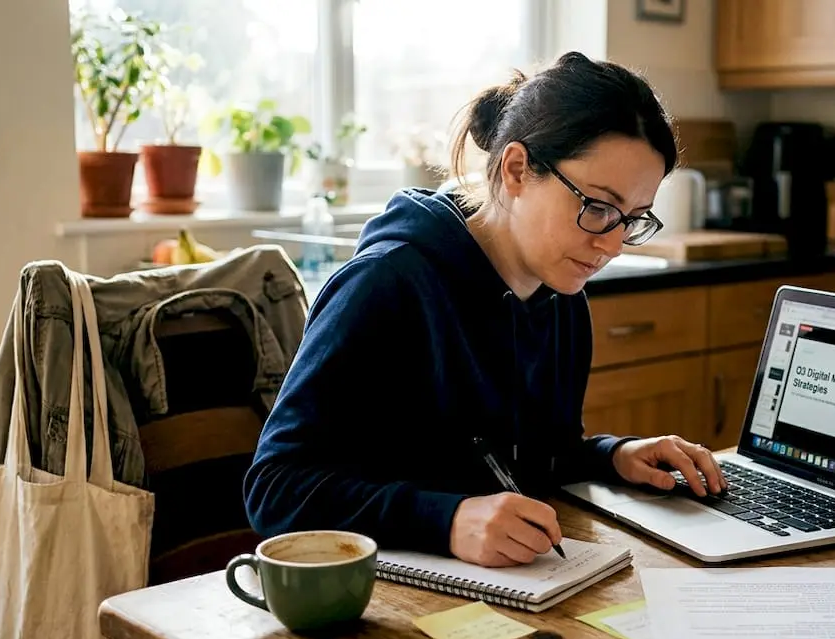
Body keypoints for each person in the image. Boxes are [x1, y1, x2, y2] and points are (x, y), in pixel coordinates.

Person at [244, 51, 724, 568]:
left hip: (508, 591)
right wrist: (447, 520)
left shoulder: (562, 297)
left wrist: (612, 455)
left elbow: (532, 456)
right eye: (597, 207)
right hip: (381, 603)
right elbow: (275, 489)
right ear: (517, 169)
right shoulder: (386, 283)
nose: (611, 245)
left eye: (632, 219)